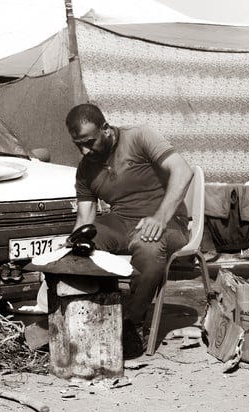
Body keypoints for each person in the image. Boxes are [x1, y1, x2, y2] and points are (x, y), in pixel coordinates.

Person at [65, 103, 193, 357]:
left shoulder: (139, 137)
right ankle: (94, 316)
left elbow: (183, 171)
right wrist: (69, 246)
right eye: (77, 144)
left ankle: (132, 323)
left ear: (106, 129)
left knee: (149, 246)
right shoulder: (85, 168)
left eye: (89, 142)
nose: (84, 150)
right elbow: (85, 218)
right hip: (122, 223)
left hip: (169, 221)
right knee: (81, 246)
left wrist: (159, 217)